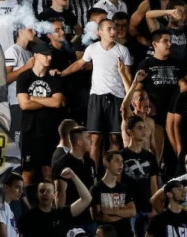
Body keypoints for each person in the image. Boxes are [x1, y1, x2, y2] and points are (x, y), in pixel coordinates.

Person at [61, 18, 133, 163]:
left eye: (114, 28)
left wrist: (128, 99)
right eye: (109, 29)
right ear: (100, 32)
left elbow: (129, 76)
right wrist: (61, 74)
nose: (113, 31)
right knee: (95, 138)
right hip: (96, 97)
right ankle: (93, 172)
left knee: (114, 138)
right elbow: (79, 64)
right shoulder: (92, 48)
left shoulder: (123, 50)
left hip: (117, 97)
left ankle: (114, 170)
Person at [16, 41, 64, 185]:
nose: (49, 58)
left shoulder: (54, 76)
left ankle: (51, 200)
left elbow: (57, 102)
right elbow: (24, 105)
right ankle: (26, 200)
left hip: (50, 130)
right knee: (27, 173)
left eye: (50, 55)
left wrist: (33, 98)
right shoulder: (24, 77)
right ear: (36, 55)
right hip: (30, 130)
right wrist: (47, 100)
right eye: (45, 54)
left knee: (49, 172)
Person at [17, 168, 93, 236]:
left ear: (54, 195)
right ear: (37, 195)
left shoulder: (61, 214)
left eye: (48, 191)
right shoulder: (28, 217)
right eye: (42, 191)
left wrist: (74, 177)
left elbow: (87, 199)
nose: (45, 194)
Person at [119, 115, 159, 237]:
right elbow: (118, 183)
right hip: (128, 208)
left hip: (146, 208)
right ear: (129, 131)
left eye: (144, 128)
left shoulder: (150, 157)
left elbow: (153, 185)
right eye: (139, 128)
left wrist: (155, 207)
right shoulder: (121, 156)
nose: (143, 131)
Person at [53, 126, 96, 233]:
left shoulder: (90, 162)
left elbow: (94, 188)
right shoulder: (62, 164)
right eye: (88, 138)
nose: (91, 141)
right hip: (73, 221)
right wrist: (61, 221)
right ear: (79, 142)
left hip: (90, 219)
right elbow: (60, 194)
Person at [90, 150, 136, 237]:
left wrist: (112, 211)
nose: (121, 164)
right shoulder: (96, 189)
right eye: (117, 161)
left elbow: (132, 212)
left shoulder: (124, 188)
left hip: (126, 233)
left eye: (122, 161)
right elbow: (98, 217)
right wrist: (123, 213)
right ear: (106, 163)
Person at [0, 172, 23, 237]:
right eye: (17, 187)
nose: (21, 191)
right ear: (6, 188)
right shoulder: (0, 206)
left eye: (21, 188)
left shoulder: (6, 206)